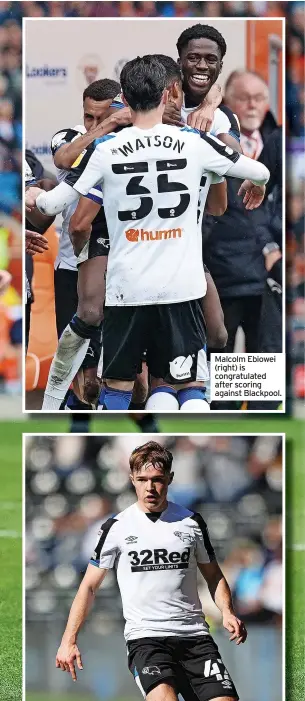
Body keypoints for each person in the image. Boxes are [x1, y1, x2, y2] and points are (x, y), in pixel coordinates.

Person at [32, 55, 269, 412]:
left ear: (124, 101)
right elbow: (257, 169)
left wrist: (35, 194)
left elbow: (51, 206)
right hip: (181, 286)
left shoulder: (105, 150)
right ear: (168, 93)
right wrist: (260, 182)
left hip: (128, 287)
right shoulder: (193, 141)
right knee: (188, 384)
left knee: (117, 388)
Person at [56, 440, 247, 701]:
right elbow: (88, 586)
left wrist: (227, 612)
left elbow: (213, 575)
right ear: (132, 479)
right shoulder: (116, 527)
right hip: (147, 640)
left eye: (157, 479)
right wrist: (69, 639)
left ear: (170, 479)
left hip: (195, 638)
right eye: (142, 479)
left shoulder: (191, 522)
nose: (150, 487)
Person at [203, 71, 281, 408]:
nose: (252, 104)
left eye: (259, 97)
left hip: (267, 278)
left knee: (263, 379)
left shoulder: (277, 143)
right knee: (223, 379)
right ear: (228, 104)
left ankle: (254, 437)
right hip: (224, 273)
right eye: (244, 97)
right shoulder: (211, 143)